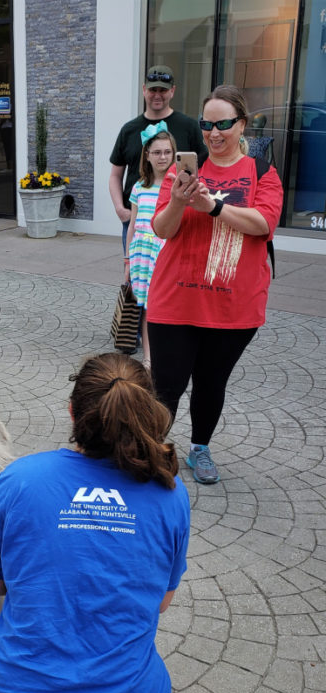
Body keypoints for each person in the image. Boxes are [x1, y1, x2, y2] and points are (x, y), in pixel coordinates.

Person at [0, 353, 190, 693]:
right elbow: (162, 602)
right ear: (145, 413)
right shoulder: (169, 490)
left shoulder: (20, 479)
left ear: (72, 412)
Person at [148, 84, 284, 484]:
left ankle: (200, 448)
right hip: (176, 301)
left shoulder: (262, 172)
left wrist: (214, 207)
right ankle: (150, 448)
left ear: (242, 125)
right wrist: (177, 200)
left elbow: (264, 224)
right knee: (166, 385)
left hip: (233, 307)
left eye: (224, 123)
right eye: (207, 124)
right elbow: (161, 229)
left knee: (210, 383)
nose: (214, 132)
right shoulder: (182, 171)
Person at [109, 65, 206, 253]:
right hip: (137, 219)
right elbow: (115, 175)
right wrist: (120, 209)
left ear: (173, 91)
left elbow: (204, 169)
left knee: (170, 278)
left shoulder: (189, 127)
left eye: (163, 90)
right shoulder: (129, 129)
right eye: (153, 89)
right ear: (144, 89)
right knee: (135, 271)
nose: (157, 95)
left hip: (176, 218)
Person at [124, 124, 176, 367]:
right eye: (157, 152)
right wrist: (127, 261)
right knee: (147, 307)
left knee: (168, 306)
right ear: (147, 155)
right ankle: (148, 357)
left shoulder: (178, 187)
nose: (162, 157)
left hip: (168, 254)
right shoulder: (139, 187)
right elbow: (132, 225)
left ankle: (170, 353)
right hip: (142, 255)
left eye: (167, 152)